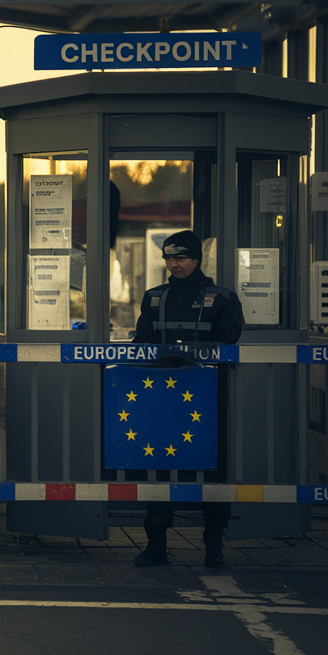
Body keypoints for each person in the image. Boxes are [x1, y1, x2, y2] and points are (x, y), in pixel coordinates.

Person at [131, 229, 245, 568]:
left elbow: (229, 341)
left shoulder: (222, 297)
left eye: (180, 257)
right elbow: (141, 343)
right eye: (169, 258)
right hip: (163, 402)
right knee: (159, 471)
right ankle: (156, 546)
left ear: (196, 260)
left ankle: (214, 546)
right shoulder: (154, 297)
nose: (174, 264)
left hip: (208, 399)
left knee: (213, 472)